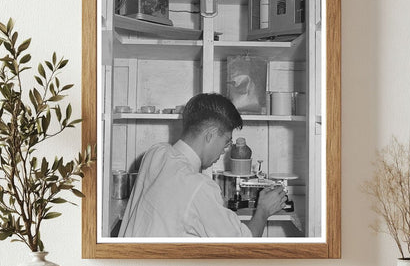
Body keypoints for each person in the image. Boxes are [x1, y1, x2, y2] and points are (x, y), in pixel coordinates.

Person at [118, 93, 287, 238]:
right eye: (226, 141)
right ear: (210, 135)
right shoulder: (199, 187)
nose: (224, 150)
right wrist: (263, 210)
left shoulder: (156, 152)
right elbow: (243, 245)